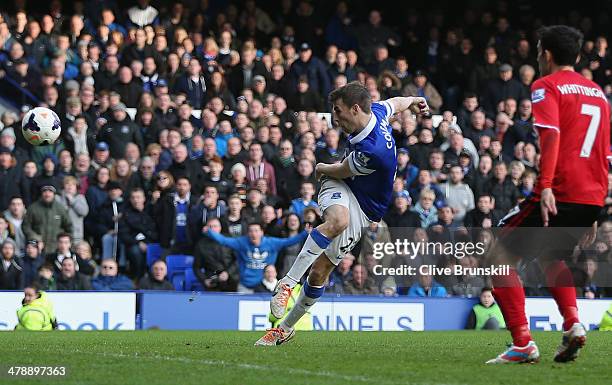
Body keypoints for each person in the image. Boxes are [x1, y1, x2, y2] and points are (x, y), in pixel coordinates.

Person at [256, 81, 430, 345]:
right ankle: (287, 283)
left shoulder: (374, 151)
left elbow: (340, 169)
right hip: (341, 187)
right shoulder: (378, 112)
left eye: (338, 111)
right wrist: (414, 99)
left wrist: (321, 167)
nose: (334, 117)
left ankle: (285, 328)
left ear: (356, 108)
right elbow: (396, 102)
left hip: (362, 203)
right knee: (338, 220)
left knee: (320, 271)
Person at [486, 26, 610, 365]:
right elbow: (606, 153)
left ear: (547, 55)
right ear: (579, 56)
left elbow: (551, 137)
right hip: (591, 195)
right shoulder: (598, 93)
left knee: (497, 256)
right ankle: (573, 324)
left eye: (539, 51)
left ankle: (523, 342)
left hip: (561, 188)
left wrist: (545, 187)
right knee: (551, 257)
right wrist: (597, 208)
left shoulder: (546, 86)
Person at [204, 222, 308, 294]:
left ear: (261, 232)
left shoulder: (271, 243)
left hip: (265, 286)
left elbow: (289, 242)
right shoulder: (241, 242)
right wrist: (209, 232)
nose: (253, 234)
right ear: (248, 233)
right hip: (245, 286)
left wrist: (305, 233)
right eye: (251, 231)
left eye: (256, 231)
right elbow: (224, 240)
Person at [22, 186, 73, 253]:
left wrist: (64, 242)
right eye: (45, 191)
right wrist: (35, 238)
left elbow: (69, 227)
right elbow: (25, 226)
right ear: (41, 193)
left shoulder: (60, 209)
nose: (47, 194)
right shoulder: (33, 208)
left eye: (50, 191)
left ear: (54, 194)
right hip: (37, 247)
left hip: (56, 248)